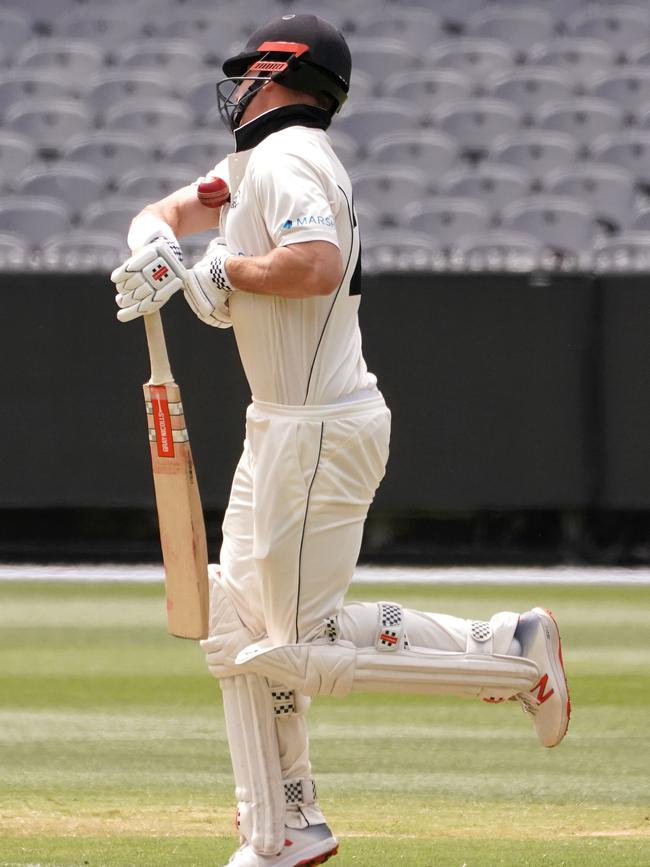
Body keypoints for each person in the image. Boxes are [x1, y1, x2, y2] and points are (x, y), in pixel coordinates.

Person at [110, 14, 571, 867]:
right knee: (233, 624)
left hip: (319, 425)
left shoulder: (289, 161)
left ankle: (509, 652)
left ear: (283, 74)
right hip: (282, 422)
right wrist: (156, 243)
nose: (239, 85)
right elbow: (174, 207)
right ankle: (283, 829)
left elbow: (313, 261)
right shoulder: (254, 164)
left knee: (290, 645)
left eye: (252, 71)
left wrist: (215, 270)